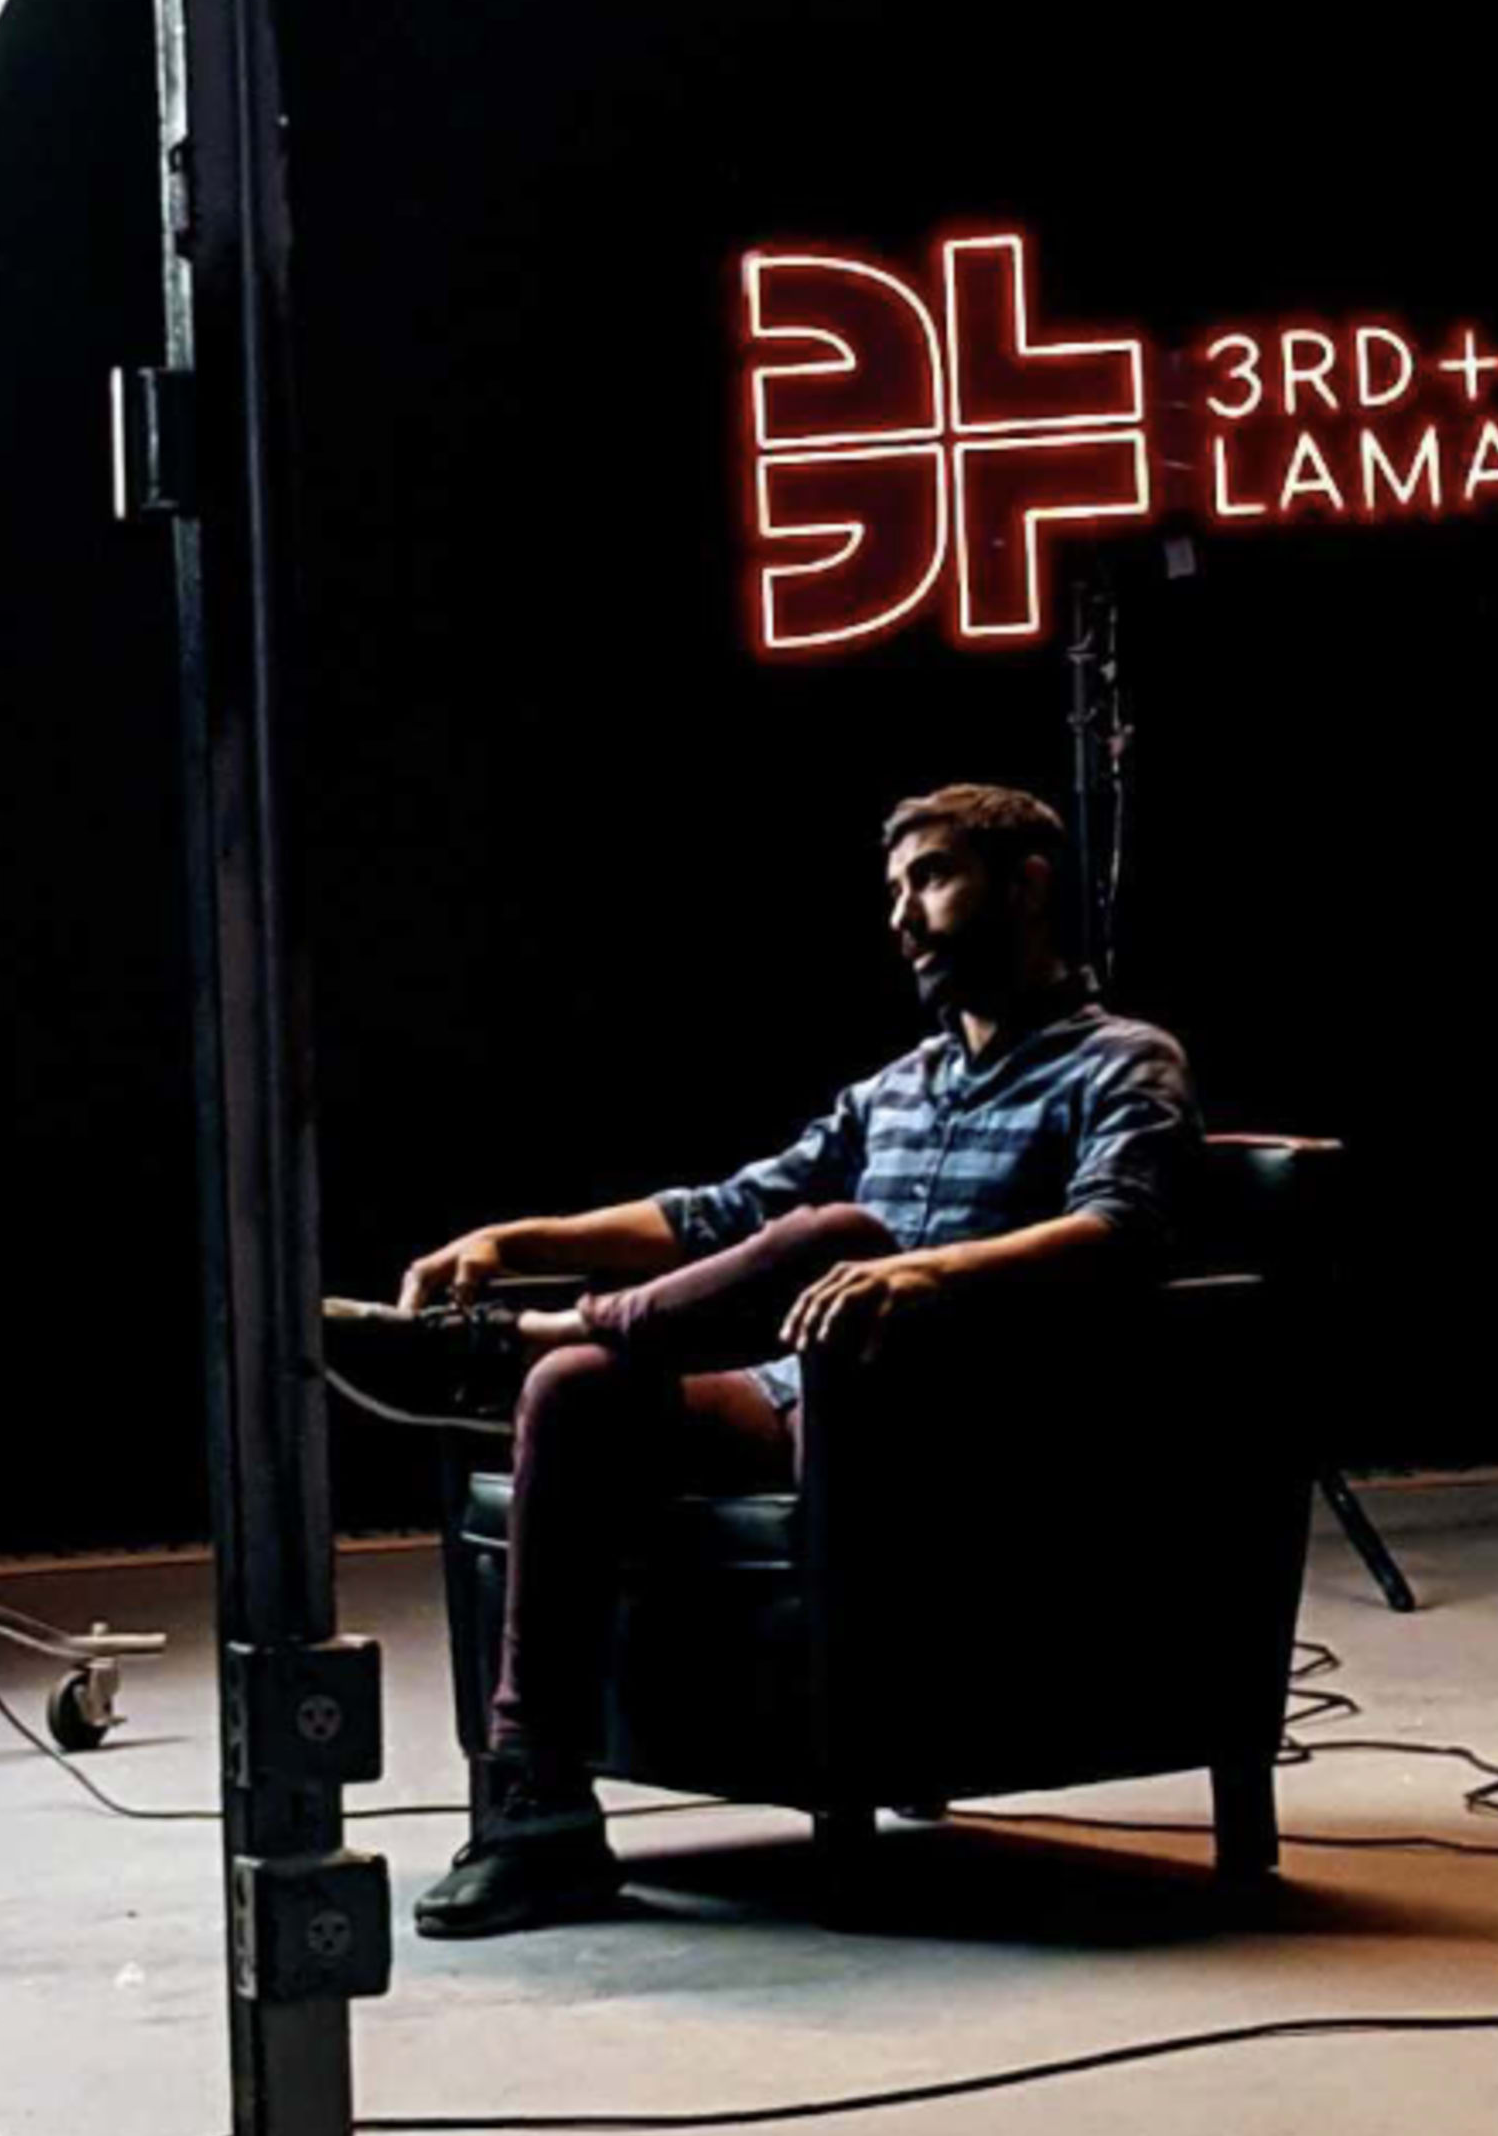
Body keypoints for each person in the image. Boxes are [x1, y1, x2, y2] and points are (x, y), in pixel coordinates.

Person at [396, 776, 1203, 1930]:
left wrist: (924, 1270)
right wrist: (508, 1234)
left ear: (1026, 886)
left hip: (983, 1418)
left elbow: (1124, 1226)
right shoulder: (894, 1089)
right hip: (815, 1405)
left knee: (847, 1238)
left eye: (931, 877)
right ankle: (541, 1817)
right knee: (578, 1388)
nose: (904, 915)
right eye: (895, 890)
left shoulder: (1123, 1060)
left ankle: (520, 1335)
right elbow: (722, 1212)